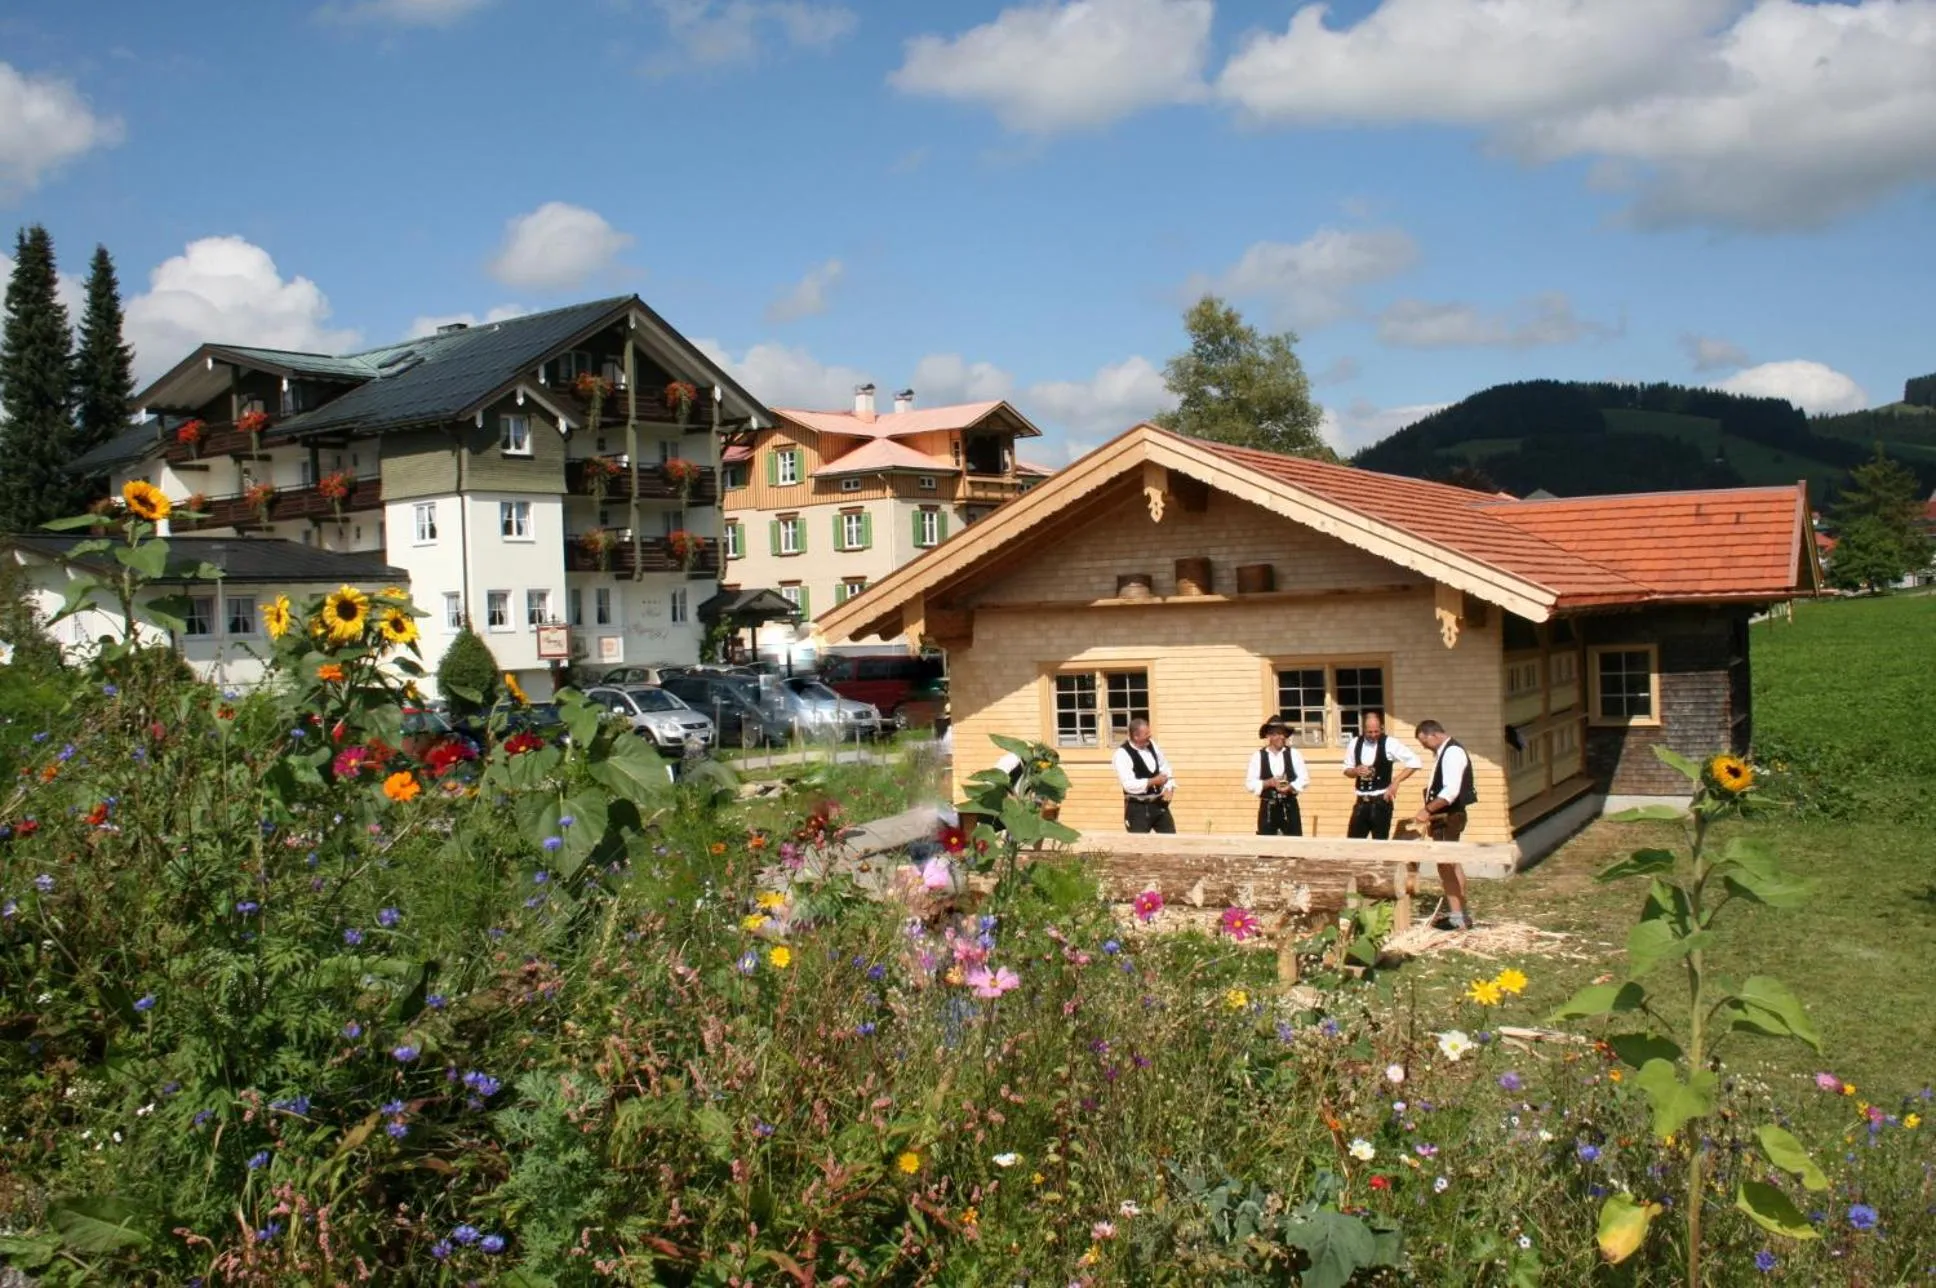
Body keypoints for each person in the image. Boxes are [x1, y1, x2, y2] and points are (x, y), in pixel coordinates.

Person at [1412, 718, 1478, 930]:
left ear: (1433, 734)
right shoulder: (1445, 752)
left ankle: (1458, 917)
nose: (1425, 747)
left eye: (1425, 742)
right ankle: (1460, 913)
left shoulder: (1452, 753)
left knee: (1445, 864)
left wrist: (1427, 810)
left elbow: (1450, 792)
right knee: (1452, 862)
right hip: (1445, 816)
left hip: (1448, 816)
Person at [1341, 709, 1421, 840]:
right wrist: (1355, 771)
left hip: (1381, 801)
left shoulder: (1390, 743)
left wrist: (1396, 781)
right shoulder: (1355, 743)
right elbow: (1346, 769)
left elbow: (1414, 761)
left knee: (1380, 842)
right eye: (1369, 732)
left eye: (1376, 731)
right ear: (1363, 729)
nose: (1373, 735)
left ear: (1381, 728)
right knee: (1353, 842)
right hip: (1361, 801)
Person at [1246, 719, 1310, 836]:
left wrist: (1290, 787)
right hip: (1268, 807)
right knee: (1266, 847)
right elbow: (1250, 784)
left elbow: (1304, 779)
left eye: (1283, 733)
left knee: (1294, 844)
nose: (1281, 737)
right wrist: (1269, 783)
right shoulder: (1258, 756)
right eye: (1277, 734)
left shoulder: (1294, 754)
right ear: (1269, 735)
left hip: (1289, 805)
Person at [1112, 717, 1176, 833]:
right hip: (1138, 808)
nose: (1150, 735)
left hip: (1159, 804)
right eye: (1146, 734)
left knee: (1171, 840)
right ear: (1136, 736)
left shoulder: (1152, 745)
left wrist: (1169, 787)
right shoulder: (1122, 754)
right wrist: (1152, 781)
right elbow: (1128, 784)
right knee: (1138, 845)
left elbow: (1165, 767)